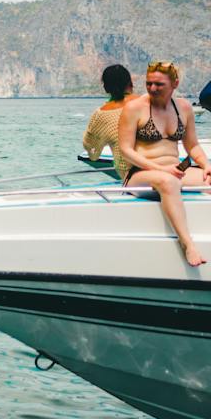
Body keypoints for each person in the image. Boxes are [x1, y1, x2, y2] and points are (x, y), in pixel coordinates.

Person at [115, 61, 209, 266]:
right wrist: (161, 169)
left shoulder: (183, 107)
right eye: (149, 84)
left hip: (174, 170)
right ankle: (188, 245)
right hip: (140, 173)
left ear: (175, 83)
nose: (152, 88)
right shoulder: (135, 108)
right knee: (168, 182)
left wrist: (206, 165)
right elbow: (126, 150)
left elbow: (192, 145)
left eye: (159, 84)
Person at [80, 64, 135, 160]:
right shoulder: (148, 103)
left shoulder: (102, 114)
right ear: (130, 83)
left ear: (105, 88)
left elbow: (92, 150)